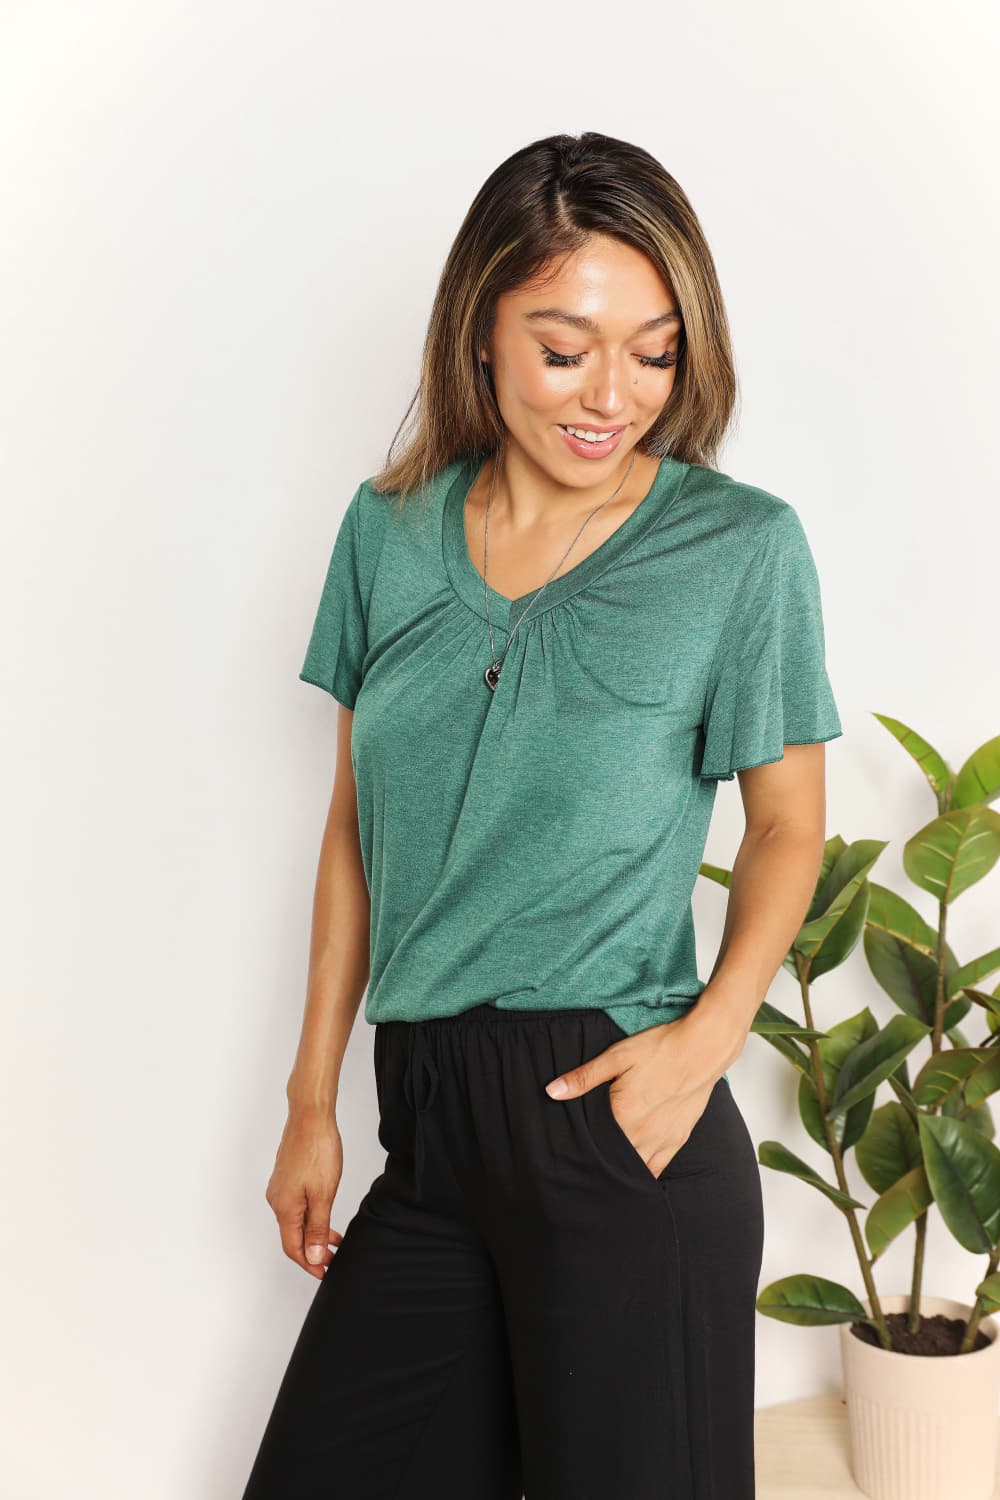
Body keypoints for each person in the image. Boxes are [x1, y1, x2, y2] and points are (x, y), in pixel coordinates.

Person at [239, 131, 843, 1500]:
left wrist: (704, 1045)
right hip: (427, 1120)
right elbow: (352, 828)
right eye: (565, 346)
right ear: (482, 333)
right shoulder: (387, 533)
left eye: (656, 351)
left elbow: (789, 825)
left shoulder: (739, 550)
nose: (611, 395)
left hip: (615, 1112)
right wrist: (311, 1097)